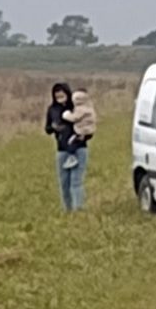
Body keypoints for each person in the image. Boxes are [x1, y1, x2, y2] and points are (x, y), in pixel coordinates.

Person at [45, 82, 89, 212]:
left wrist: (84, 136)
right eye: (57, 96)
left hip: (79, 148)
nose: (60, 98)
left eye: (62, 95)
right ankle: (67, 209)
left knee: (76, 181)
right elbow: (47, 128)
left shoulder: (77, 107)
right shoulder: (52, 110)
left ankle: (78, 209)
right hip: (62, 150)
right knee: (64, 182)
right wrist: (53, 127)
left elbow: (88, 125)